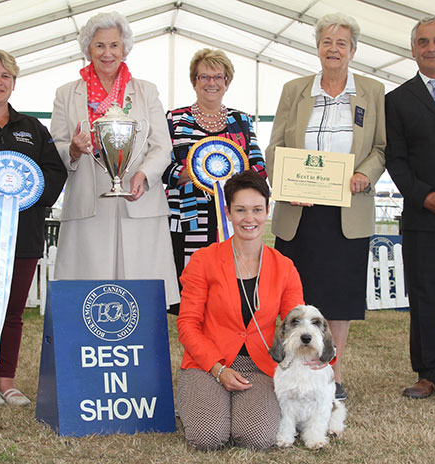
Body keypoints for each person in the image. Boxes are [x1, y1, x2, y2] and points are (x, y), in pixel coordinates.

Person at [265, 13, 386, 400]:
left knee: (338, 297)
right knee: (293, 295)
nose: (334, 49)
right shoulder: (294, 90)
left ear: (353, 50)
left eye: (342, 43)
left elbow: (381, 148)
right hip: (299, 210)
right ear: (317, 48)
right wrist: (285, 183)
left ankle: (330, 376)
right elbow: (275, 148)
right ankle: (287, 374)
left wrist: (365, 174)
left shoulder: (373, 90)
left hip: (347, 211)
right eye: (327, 42)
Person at [50, 12, 179, 308]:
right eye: (99, 46)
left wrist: (143, 176)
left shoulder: (146, 91)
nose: (107, 53)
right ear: (87, 49)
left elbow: (162, 145)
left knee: (141, 298)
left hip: (139, 205)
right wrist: (72, 149)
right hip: (88, 205)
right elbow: (56, 144)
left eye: (114, 46)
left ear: (125, 49)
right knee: (87, 299)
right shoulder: (66, 94)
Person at [0, 49, 66, 407]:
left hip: (24, 237)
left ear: (13, 83)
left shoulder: (33, 129)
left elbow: (55, 171)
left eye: (5, 76)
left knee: (14, 311)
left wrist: (32, 194)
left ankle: (6, 380)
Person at [176, 170, 305, 450]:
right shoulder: (203, 261)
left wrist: (315, 354)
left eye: (257, 209)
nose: (250, 218)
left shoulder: (285, 267)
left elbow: (297, 322)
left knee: (256, 439)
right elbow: (187, 325)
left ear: (267, 211)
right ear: (228, 212)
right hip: (207, 364)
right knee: (207, 438)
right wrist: (218, 369)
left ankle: (236, 411)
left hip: (260, 367)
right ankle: (198, 399)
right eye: (241, 210)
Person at [385, 17, 435, 399]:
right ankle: (430, 372)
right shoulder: (396, 100)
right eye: (422, 42)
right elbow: (396, 160)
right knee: (424, 293)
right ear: (412, 49)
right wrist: (423, 196)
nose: (431, 47)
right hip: (422, 216)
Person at [162, 48, 267, 314]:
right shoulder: (174, 119)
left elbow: (258, 168)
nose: (211, 83)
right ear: (194, 81)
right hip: (188, 217)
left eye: (218, 77)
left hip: (232, 219)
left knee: (230, 295)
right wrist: (184, 173)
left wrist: (241, 181)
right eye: (204, 77)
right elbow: (160, 167)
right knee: (191, 297)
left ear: (227, 82)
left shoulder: (240, 120)